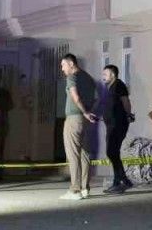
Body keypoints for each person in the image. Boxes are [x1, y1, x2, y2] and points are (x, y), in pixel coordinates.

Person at [58, 53, 98, 201]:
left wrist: (84, 112)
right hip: (86, 120)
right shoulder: (88, 78)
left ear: (71, 64)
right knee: (85, 154)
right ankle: (85, 188)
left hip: (74, 119)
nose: (62, 69)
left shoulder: (72, 77)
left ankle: (75, 190)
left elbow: (75, 96)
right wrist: (88, 112)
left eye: (63, 65)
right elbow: (96, 98)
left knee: (73, 153)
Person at [101, 65, 134, 194]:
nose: (103, 76)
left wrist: (128, 115)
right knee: (113, 152)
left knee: (112, 151)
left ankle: (119, 182)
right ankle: (122, 180)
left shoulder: (119, 85)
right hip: (111, 124)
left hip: (118, 124)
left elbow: (126, 101)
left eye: (105, 74)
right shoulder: (108, 87)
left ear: (113, 75)